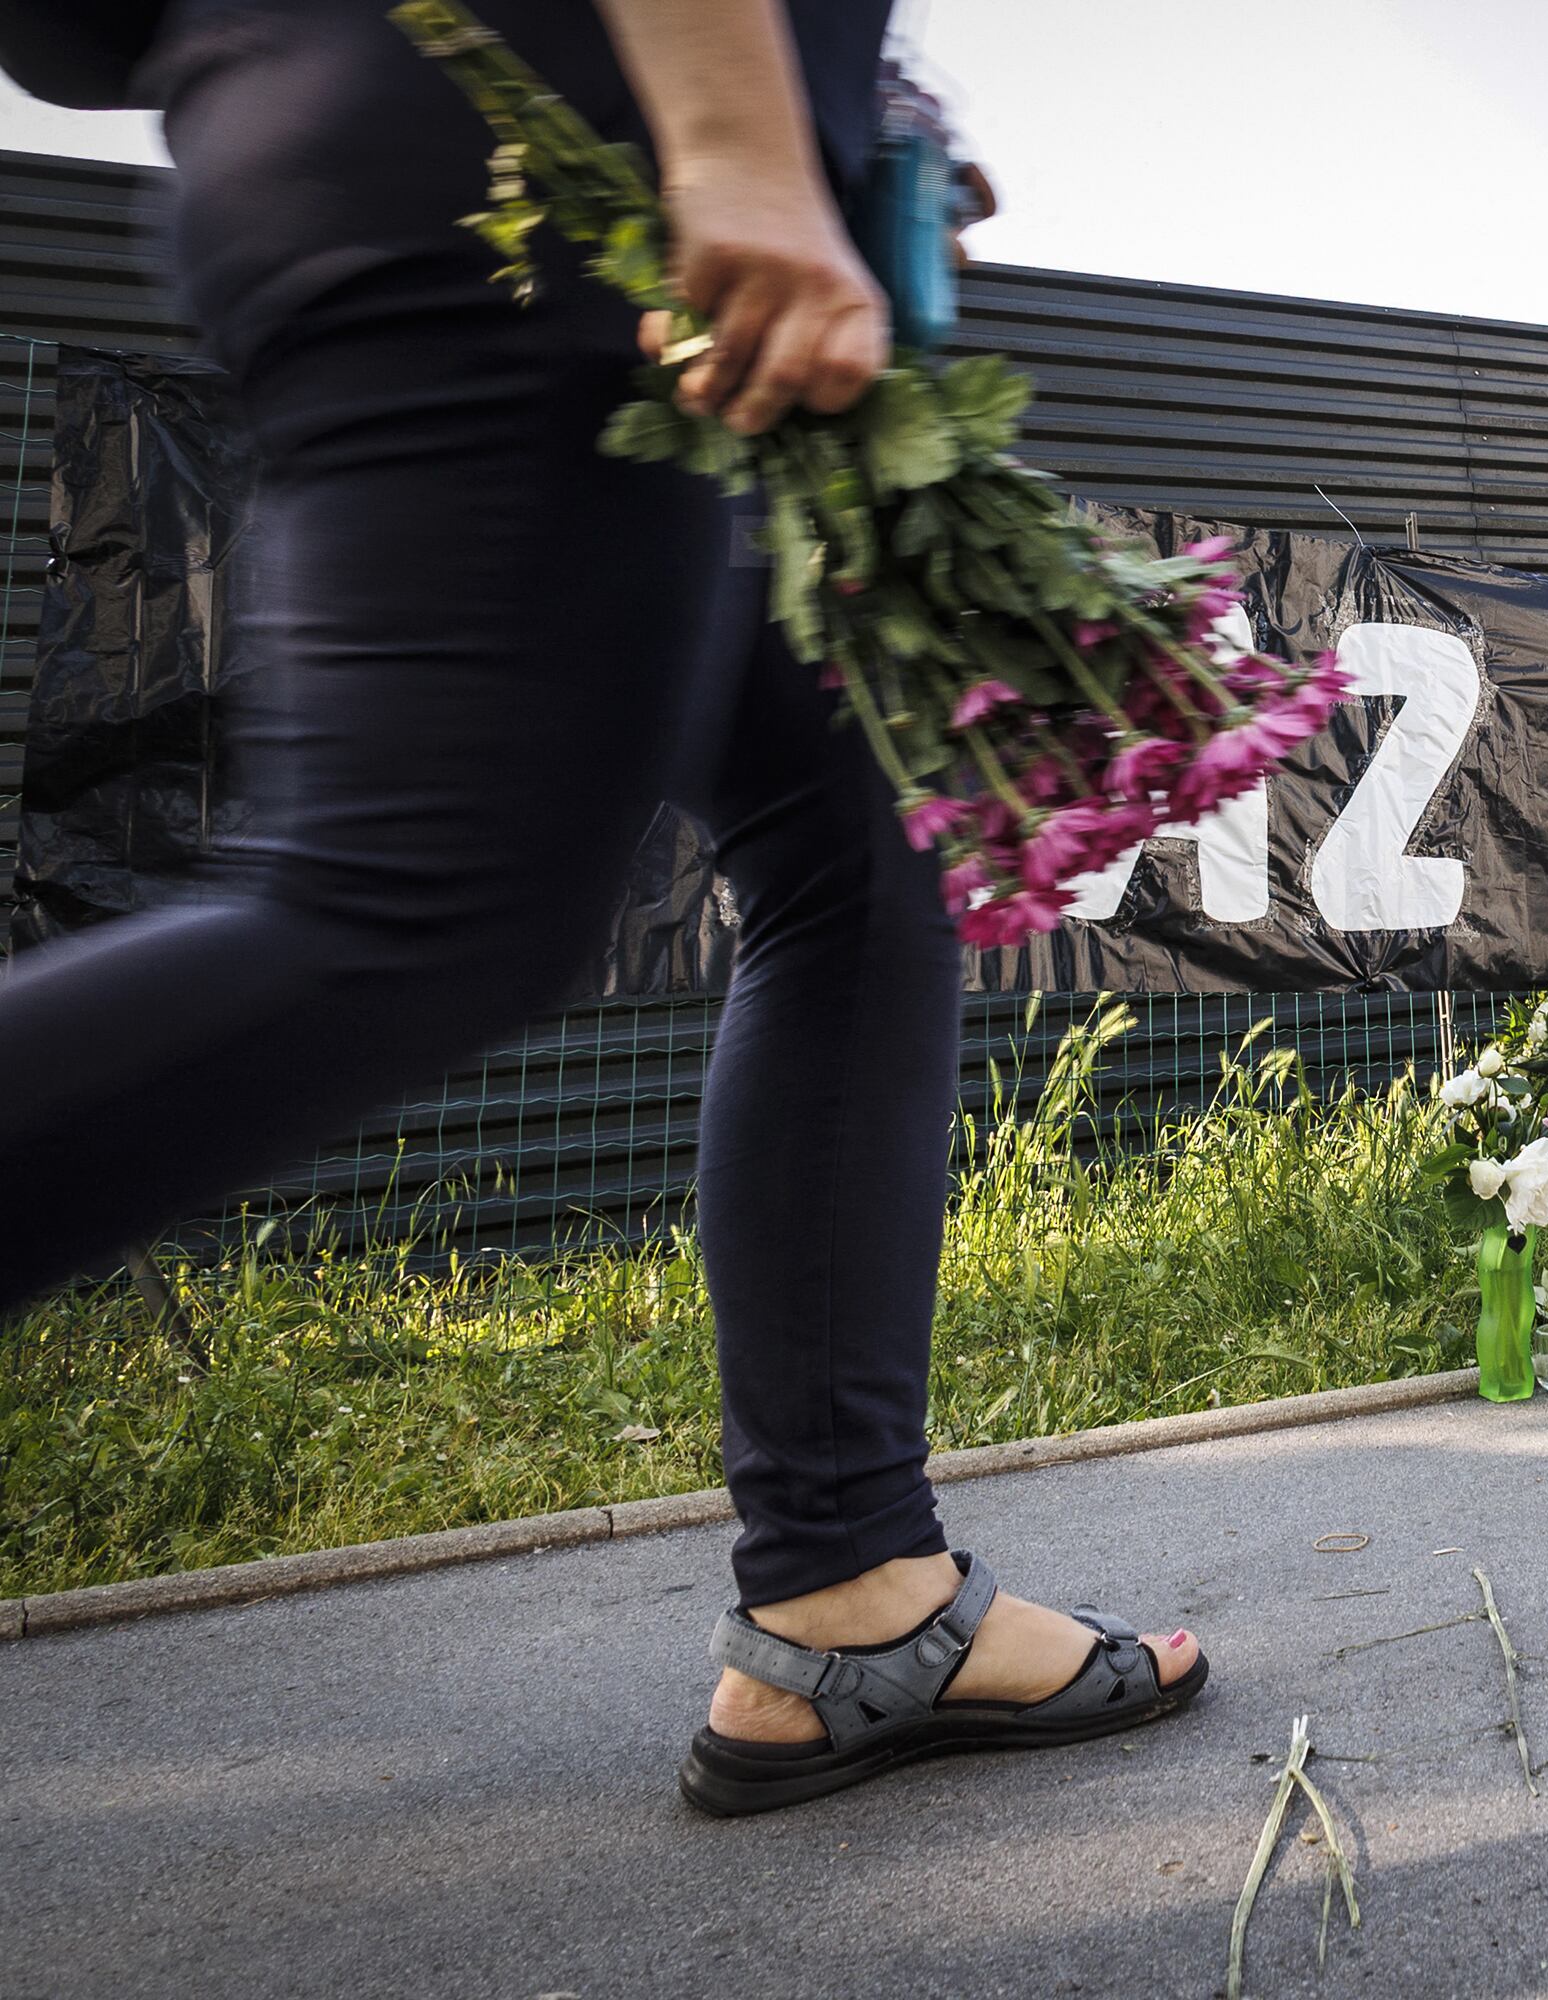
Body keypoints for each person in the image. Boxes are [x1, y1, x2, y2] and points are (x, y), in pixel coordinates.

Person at [0, 0, 1200, 1814]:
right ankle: (850, 1583)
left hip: (441, 147)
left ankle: (850, 1588)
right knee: (422, 906)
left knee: (853, 844)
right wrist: (732, 131)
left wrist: (849, 105)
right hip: (543, 177)